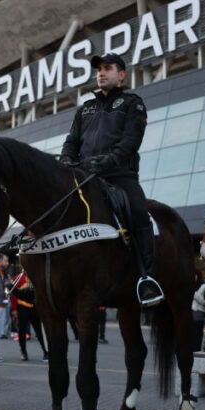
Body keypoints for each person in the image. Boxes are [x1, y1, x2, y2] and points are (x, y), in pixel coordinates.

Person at [60, 53, 163, 307]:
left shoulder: (132, 103)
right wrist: (65, 161)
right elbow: (72, 141)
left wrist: (108, 160)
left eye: (107, 68)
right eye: (98, 69)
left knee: (139, 212)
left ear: (121, 75)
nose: (101, 73)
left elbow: (131, 141)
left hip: (119, 176)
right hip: (84, 177)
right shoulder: (85, 108)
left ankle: (146, 278)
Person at [10, 270, 48, 361]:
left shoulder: (36, 276)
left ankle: (46, 351)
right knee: (22, 331)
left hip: (34, 308)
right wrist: (14, 309)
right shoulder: (18, 278)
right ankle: (23, 352)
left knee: (39, 331)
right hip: (22, 308)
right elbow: (13, 293)